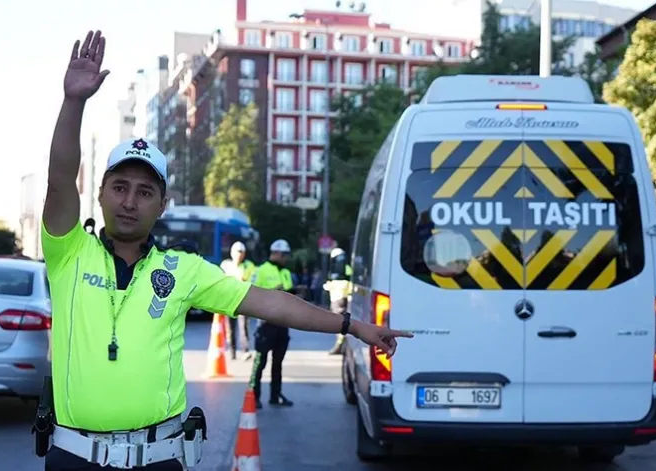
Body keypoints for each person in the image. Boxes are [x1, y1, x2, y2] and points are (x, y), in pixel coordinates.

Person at [39, 30, 412, 471]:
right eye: (119, 187)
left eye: (144, 192)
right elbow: (61, 179)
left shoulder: (182, 269)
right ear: (99, 194)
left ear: (162, 206)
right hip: (75, 458)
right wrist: (74, 102)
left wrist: (351, 325)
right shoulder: (68, 253)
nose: (129, 201)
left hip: (158, 460)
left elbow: (270, 303)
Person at [249, 240, 296, 408]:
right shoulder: (260, 270)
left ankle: (275, 395)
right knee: (260, 362)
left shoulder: (286, 272)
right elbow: (251, 293)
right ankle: (253, 396)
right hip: (265, 324)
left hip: (283, 323)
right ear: (275, 253)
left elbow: (288, 295)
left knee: (278, 362)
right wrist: (272, 293)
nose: (285, 259)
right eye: (284, 255)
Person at [220, 241, 255, 360]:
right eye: (237, 252)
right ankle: (232, 350)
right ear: (232, 253)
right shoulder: (225, 265)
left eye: (241, 252)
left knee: (244, 326)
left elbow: (252, 280)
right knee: (230, 327)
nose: (239, 255)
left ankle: (245, 350)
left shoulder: (248, 265)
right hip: (229, 301)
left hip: (244, 300)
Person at [324, 248, 353, 355]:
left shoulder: (336, 268)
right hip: (340, 296)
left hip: (339, 297)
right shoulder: (346, 267)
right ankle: (341, 344)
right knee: (341, 321)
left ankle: (340, 345)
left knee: (340, 322)